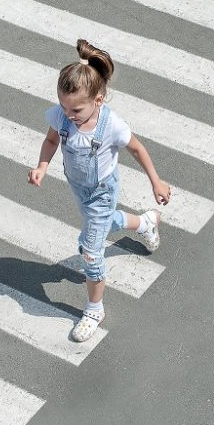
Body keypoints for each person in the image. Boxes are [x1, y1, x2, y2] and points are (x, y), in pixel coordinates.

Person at [28, 39, 171, 342]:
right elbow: (52, 141)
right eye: (64, 106)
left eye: (76, 108)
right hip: (79, 187)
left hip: (103, 191)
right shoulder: (61, 116)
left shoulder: (112, 126)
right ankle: (145, 222)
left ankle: (94, 309)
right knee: (103, 224)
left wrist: (156, 181)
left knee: (91, 253)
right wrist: (42, 166)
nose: (68, 114)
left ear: (99, 100)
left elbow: (136, 149)